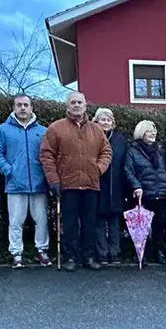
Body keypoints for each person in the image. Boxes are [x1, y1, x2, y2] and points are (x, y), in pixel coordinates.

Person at [40, 92, 112, 272]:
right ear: (67, 106)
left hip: (90, 184)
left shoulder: (96, 130)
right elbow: (47, 155)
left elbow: (106, 151)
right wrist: (54, 180)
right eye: (73, 102)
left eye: (80, 102)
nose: (76, 105)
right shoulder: (56, 128)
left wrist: (98, 168)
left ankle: (89, 256)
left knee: (90, 224)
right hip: (68, 185)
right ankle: (70, 257)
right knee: (70, 224)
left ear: (86, 105)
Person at [0, 94, 52, 268]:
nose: (22, 108)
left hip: (39, 184)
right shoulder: (3, 130)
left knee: (41, 220)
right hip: (15, 184)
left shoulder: (43, 131)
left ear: (31, 107)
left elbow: (49, 155)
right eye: (19, 105)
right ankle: (16, 253)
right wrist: (8, 170)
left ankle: (42, 251)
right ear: (14, 107)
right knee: (16, 221)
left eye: (26, 105)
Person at [125, 120, 166, 266]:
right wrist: (136, 186)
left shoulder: (160, 150)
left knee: (160, 225)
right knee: (142, 227)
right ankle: (142, 254)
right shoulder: (132, 151)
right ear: (141, 132)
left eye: (154, 130)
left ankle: (158, 252)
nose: (153, 133)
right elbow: (128, 171)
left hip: (161, 193)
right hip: (143, 194)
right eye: (149, 130)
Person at [94, 108, 130, 265]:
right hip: (98, 184)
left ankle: (115, 252)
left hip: (116, 186)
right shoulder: (92, 137)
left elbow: (125, 162)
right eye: (103, 119)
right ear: (96, 121)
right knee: (99, 222)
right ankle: (102, 253)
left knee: (115, 222)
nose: (106, 122)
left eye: (109, 120)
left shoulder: (120, 139)